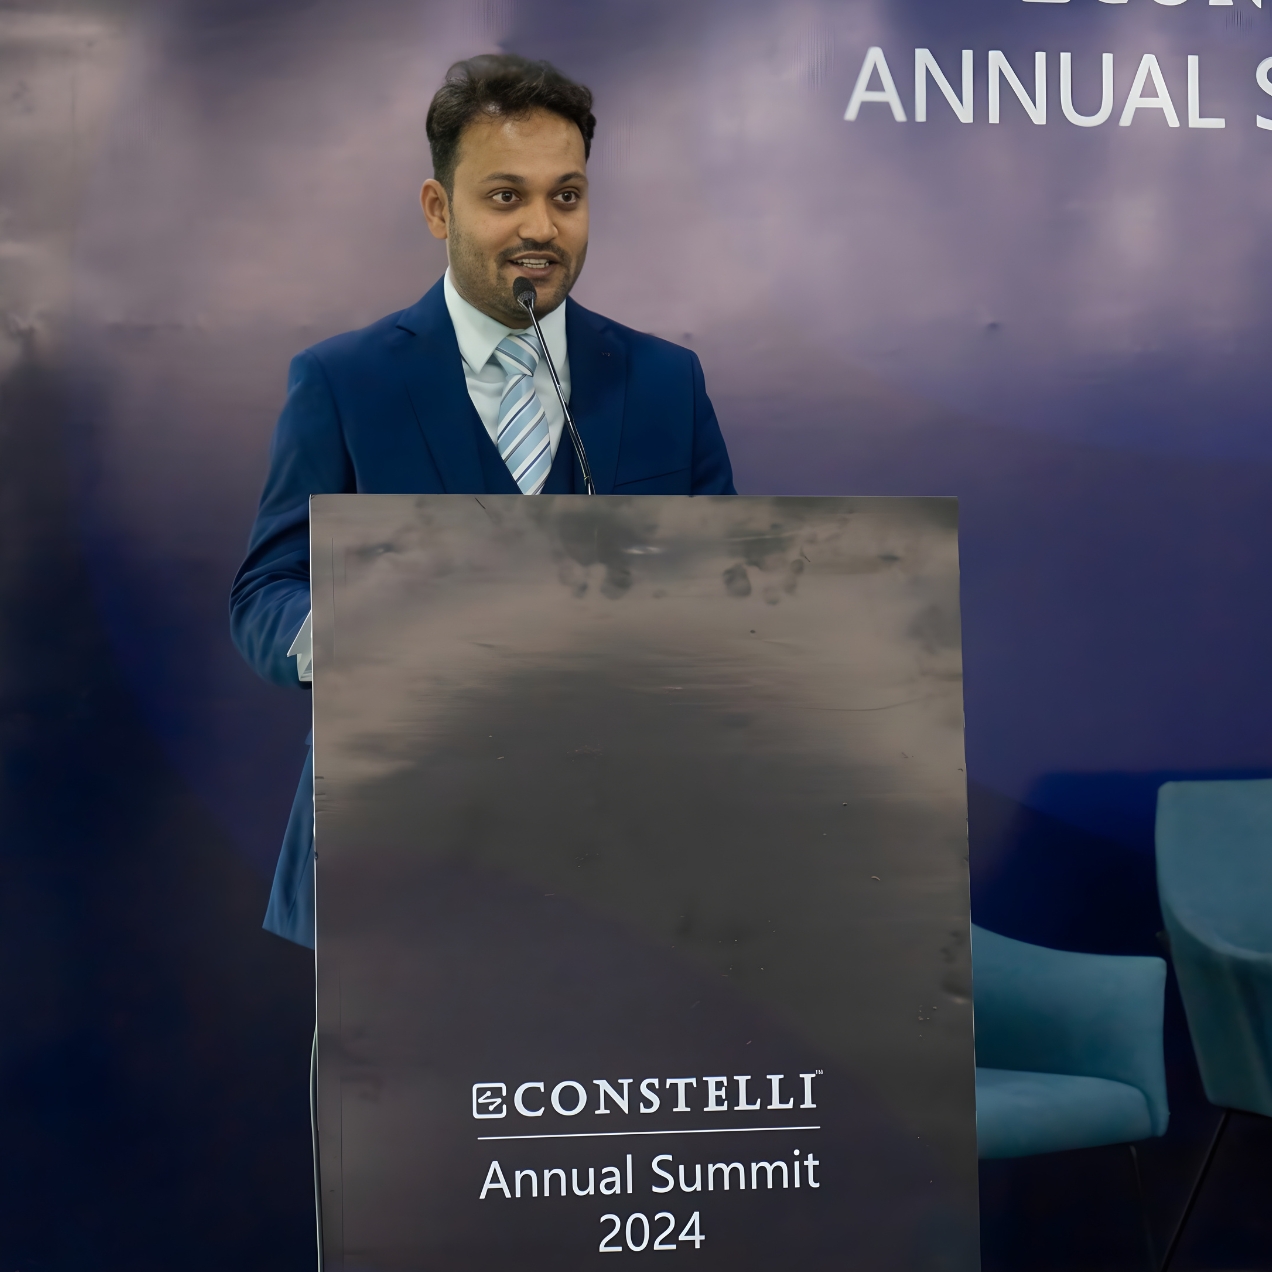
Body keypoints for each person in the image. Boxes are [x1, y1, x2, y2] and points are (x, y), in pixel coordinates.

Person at [230, 54, 736, 947]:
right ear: (440, 209)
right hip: (395, 851)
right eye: (506, 196)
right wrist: (356, 633)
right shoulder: (343, 381)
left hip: (626, 858)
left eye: (566, 196)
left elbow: (733, 595)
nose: (541, 226)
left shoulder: (668, 381)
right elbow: (265, 593)